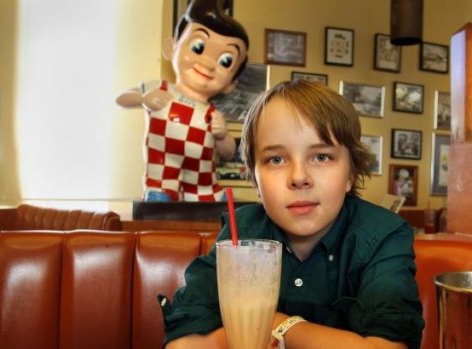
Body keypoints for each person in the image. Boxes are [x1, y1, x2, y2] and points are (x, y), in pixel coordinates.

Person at [163, 80, 424, 349]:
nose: (299, 178)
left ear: (351, 174)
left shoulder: (383, 236)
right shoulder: (241, 233)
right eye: (276, 159)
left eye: (321, 157)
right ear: (255, 178)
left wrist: (278, 325)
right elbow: (183, 342)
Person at [116, 0, 248, 202]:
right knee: (160, 199)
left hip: (201, 181)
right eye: (198, 47)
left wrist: (222, 137)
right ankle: (160, 193)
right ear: (171, 48)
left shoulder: (212, 113)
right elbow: (122, 98)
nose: (208, 64)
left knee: (205, 198)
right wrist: (143, 98)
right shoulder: (159, 89)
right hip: (161, 172)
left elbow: (228, 153)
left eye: (225, 61)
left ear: (232, 83)